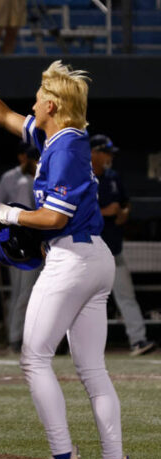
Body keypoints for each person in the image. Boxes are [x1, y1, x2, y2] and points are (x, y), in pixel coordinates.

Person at [0, 45, 136, 459]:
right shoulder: (61, 139)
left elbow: (53, 219)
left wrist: (6, 214)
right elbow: (2, 115)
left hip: (72, 258)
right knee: (92, 369)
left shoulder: (68, 147)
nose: (32, 104)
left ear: (52, 105)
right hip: (92, 258)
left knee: (34, 358)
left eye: (38, 98)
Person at [90, 134, 156, 357]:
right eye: (106, 152)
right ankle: (68, 344)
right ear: (93, 153)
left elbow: (126, 205)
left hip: (113, 249)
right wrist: (104, 212)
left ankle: (138, 340)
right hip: (87, 252)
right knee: (79, 300)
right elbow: (70, 213)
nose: (109, 157)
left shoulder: (113, 177)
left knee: (126, 296)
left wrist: (123, 214)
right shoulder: (81, 178)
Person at [0, 142, 39, 353]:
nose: (35, 161)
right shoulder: (16, 180)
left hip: (32, 240)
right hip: (20, 242)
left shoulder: (39, 177)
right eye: (32, 157)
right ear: (23, 157)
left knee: (27, 293)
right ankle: (15, 338)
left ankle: (20, 337)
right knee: (23, 293)